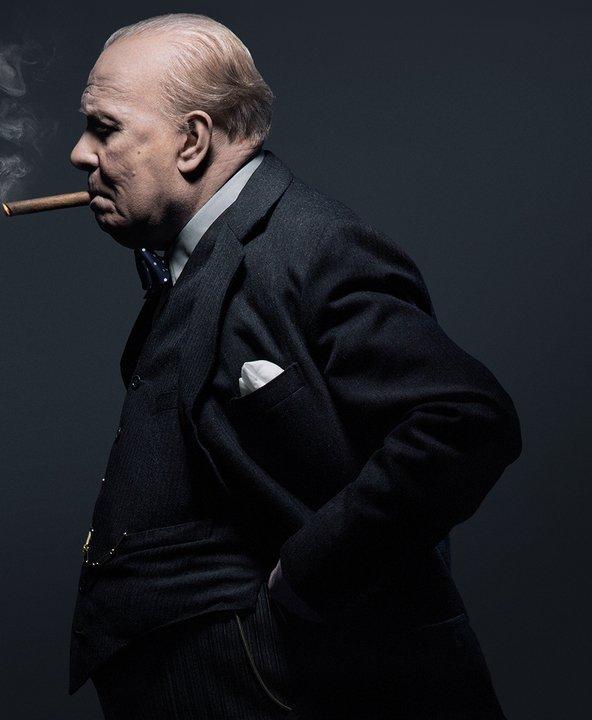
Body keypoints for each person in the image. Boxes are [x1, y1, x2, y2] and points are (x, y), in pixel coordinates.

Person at [66, 13, 522, 719]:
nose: (79, 153)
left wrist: (305, 580)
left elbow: (467, 422)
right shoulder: (191, 256)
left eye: (104, 128)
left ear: (192, 141)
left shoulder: (313, 247)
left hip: (290, 680)